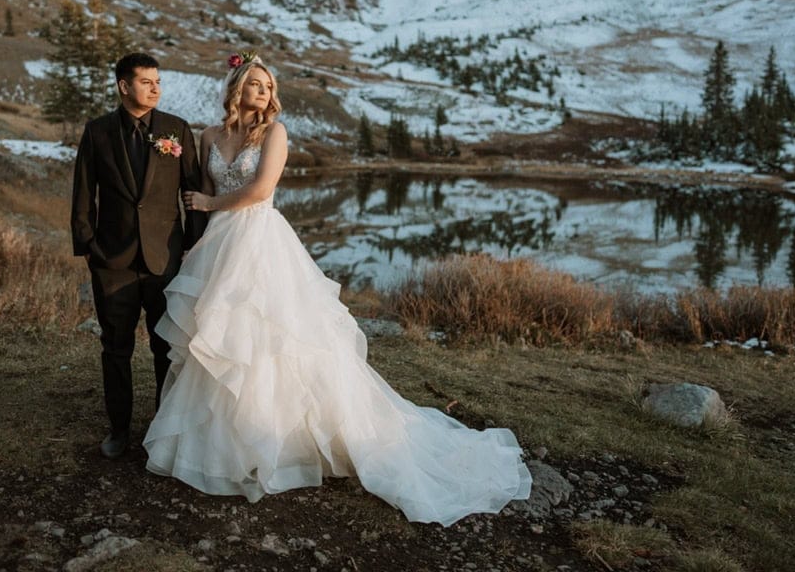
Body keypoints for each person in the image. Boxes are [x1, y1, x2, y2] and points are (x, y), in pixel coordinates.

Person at [143, 52, 532, 525]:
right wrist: (195, 239)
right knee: (219, 337)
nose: (264, 93)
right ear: (236, 87)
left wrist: (208, 199)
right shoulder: (208, 136)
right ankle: (220, 441)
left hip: (259, 240)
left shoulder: (275, 133)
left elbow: (261, 189)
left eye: (268, 86)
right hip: (218, 244)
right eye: (256, 84)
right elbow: (204, 199)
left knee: (270, 336)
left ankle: (280, 438)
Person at [71, 52, 205, 459]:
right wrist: (90, 248)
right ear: (123, 86)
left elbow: (192, 193)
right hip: (112, 262)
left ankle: (164, 429)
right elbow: (82, 194)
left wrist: (191, 247)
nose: (155, 88)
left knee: (165, 347)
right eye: (146, 81)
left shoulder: (176, 129)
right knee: (115, 349)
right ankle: (119, 430)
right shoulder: (97, 133)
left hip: (165, 259)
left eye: (158, 81)